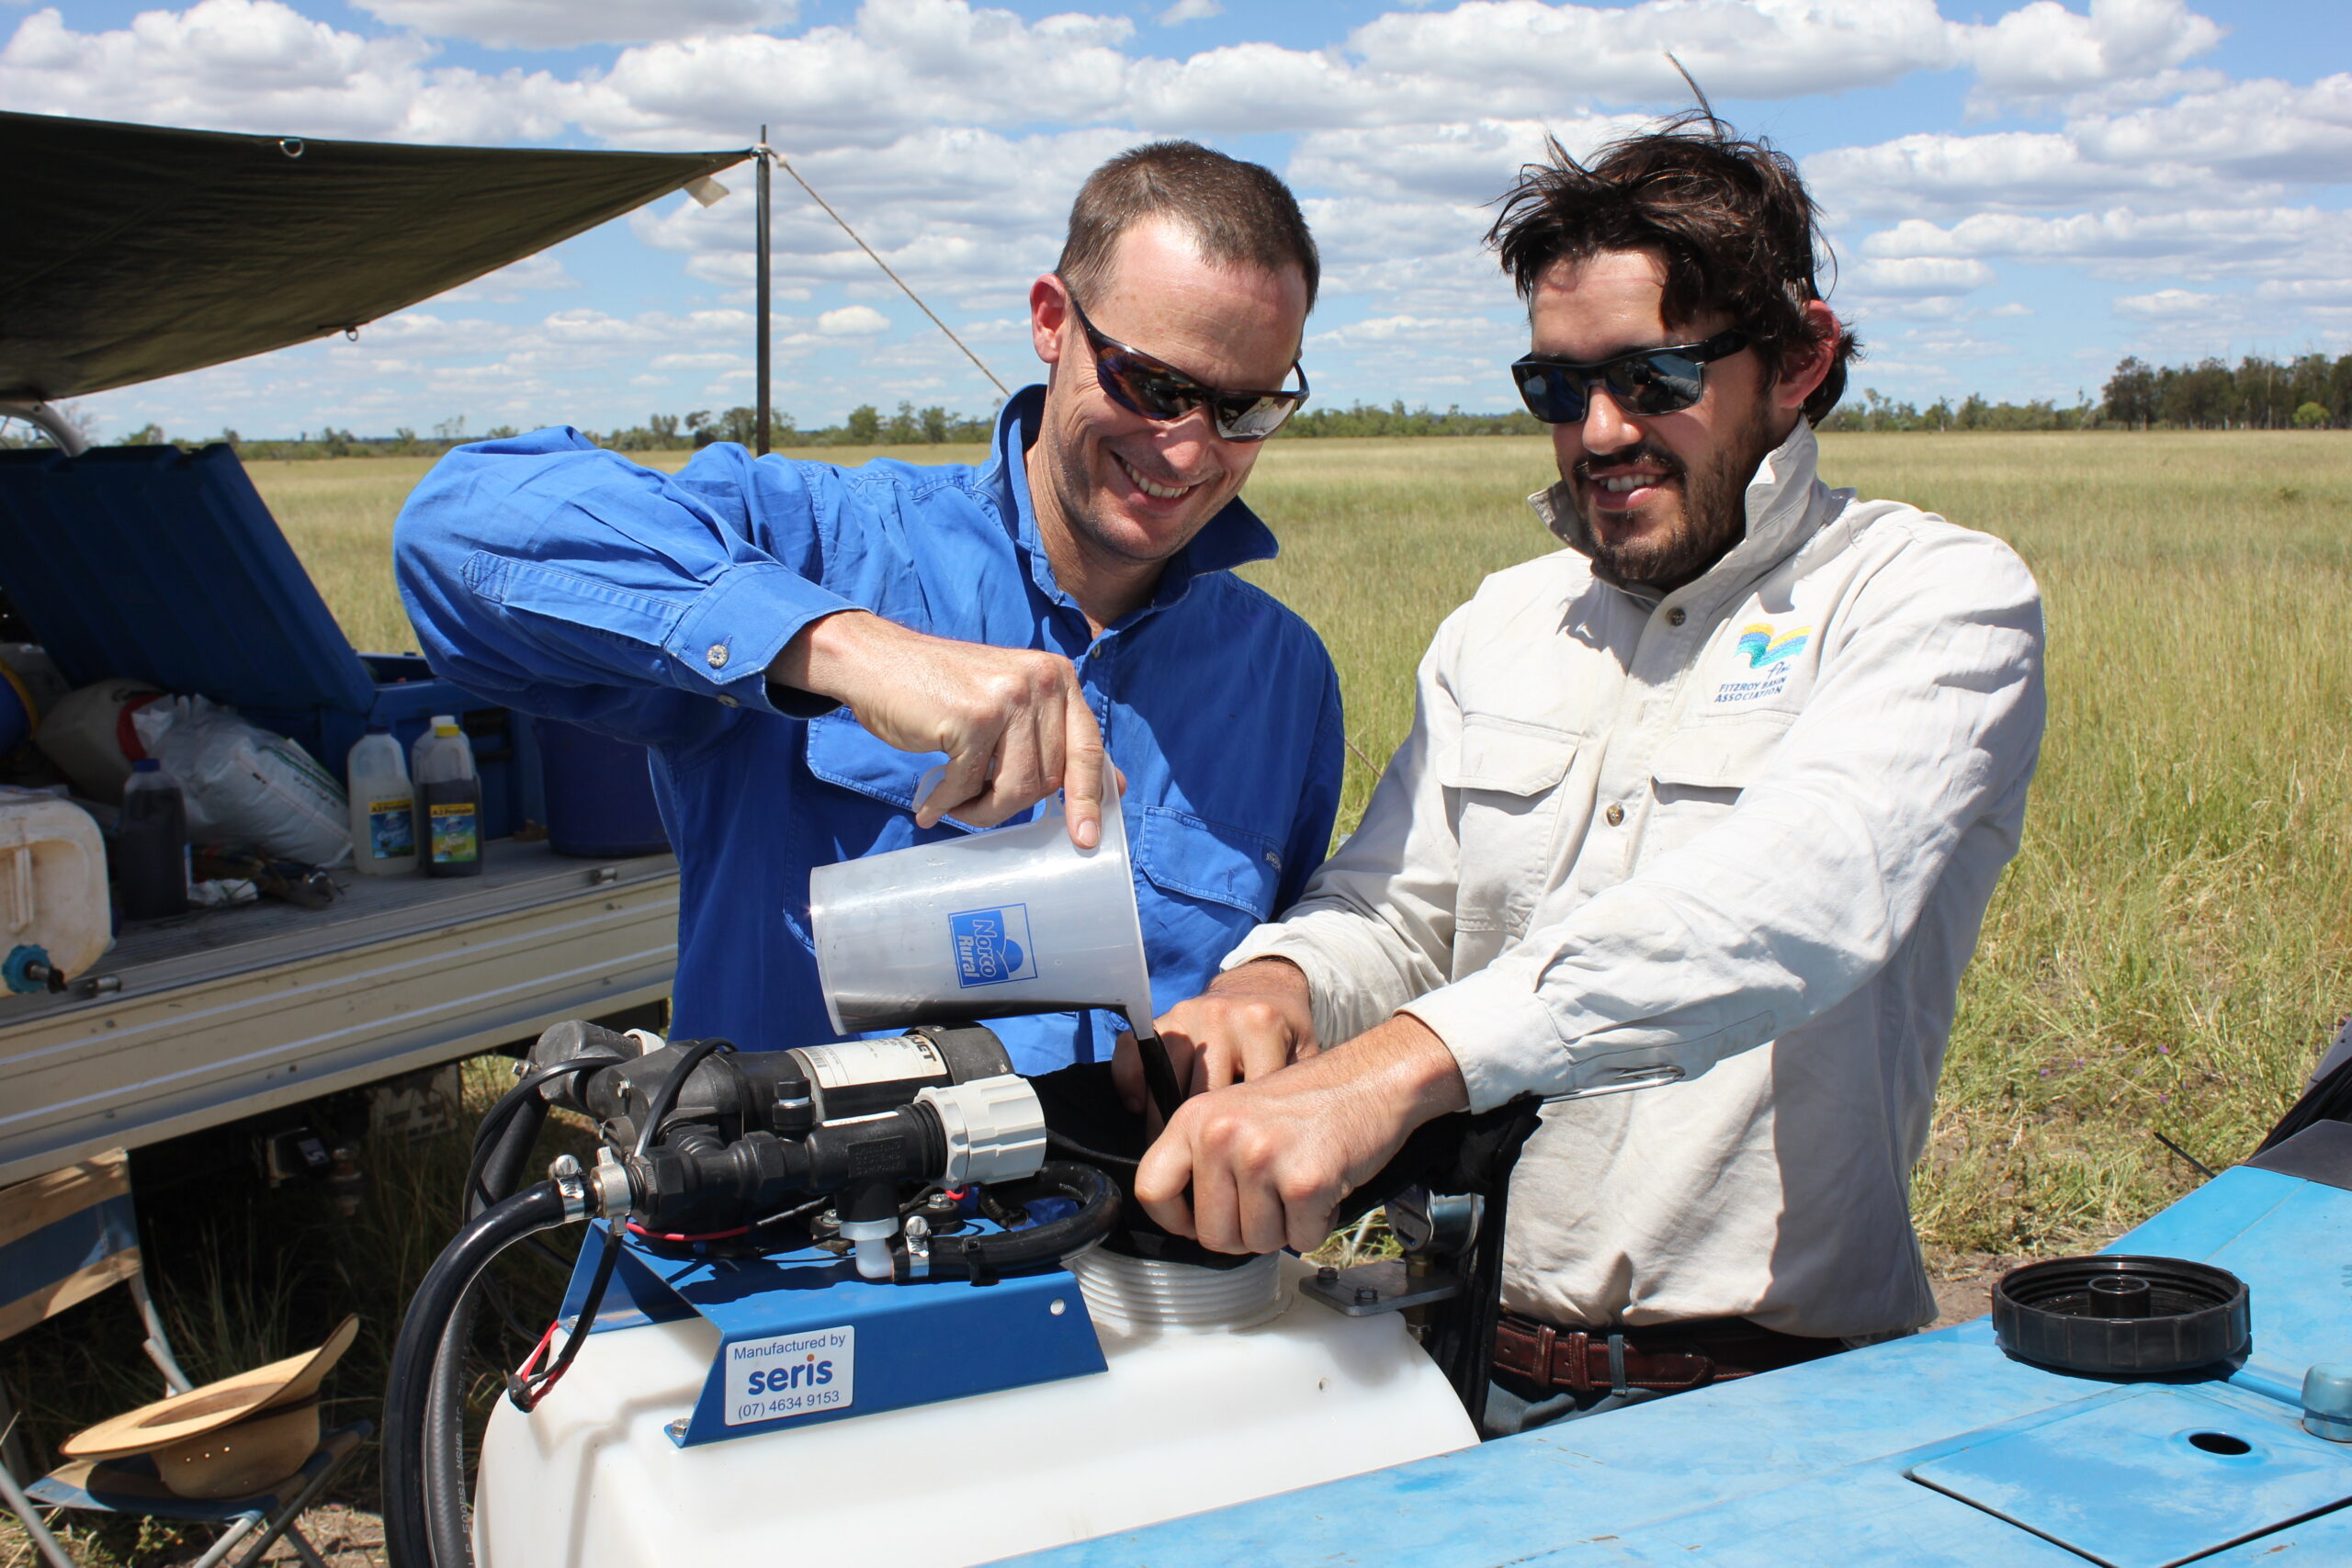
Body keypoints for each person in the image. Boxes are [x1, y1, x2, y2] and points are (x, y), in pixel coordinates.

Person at [1125, 118, 2047, 1432]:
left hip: (1782, 1398)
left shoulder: (1934, 599)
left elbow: (1792, 901)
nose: (1599, 430)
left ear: (1797, 361)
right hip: (1447, 1364)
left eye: (1652, 376)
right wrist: (1280, 987)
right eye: (1558, 389)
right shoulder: (1502, 622)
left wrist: (1399, 1066)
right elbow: (1396, 913)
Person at [394, 141, 1343, 1075]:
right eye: (1156, 385)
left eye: (1245, 411)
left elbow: (1281, 972)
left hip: (1117, 1224)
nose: (1187, 451)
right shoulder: (820, 543)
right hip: (792, 1218)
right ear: (1052, 321)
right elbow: (454, 533)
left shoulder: (1282, 680)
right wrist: (839, 647)